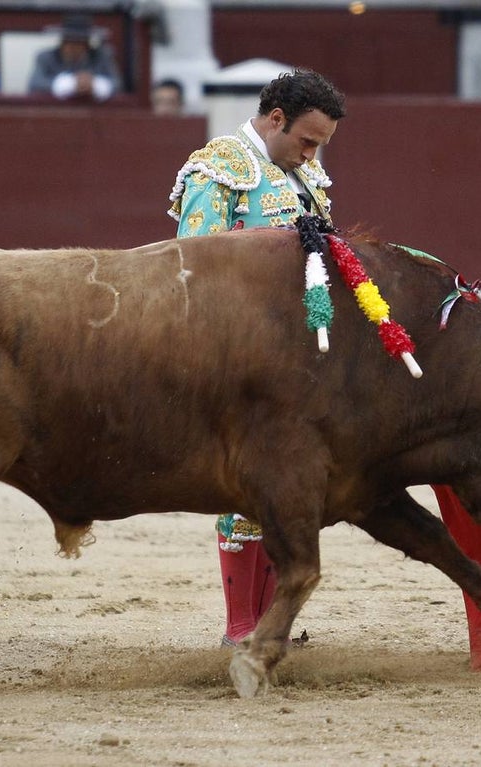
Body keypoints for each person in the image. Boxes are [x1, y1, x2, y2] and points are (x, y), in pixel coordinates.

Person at [167, 68, 346, 646]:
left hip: (293, 361)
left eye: (319, 143)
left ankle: (268, 625)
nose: (312, 153)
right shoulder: (218, 168)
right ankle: (240, 626)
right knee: (247, 488)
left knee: (285, 492)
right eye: (307, 139)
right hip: (234, 356)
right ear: (275, 120)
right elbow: (191, 267)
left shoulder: (305, 172)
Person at [28, 14, 121, 101]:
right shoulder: (46, 57)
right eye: (69, 41)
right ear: (62, 42)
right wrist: (71, 84)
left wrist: (95, 84)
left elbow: (117, 85)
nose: (73, 47)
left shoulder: (102, 57)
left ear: (87, 44)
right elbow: (35, 84)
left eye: (78, 42)